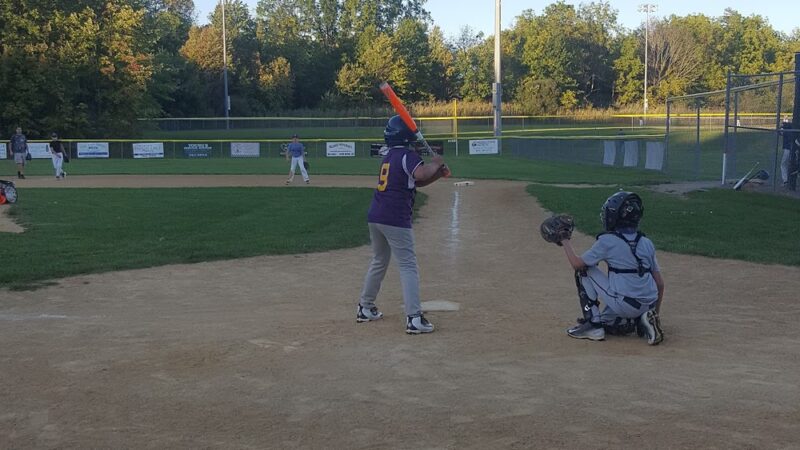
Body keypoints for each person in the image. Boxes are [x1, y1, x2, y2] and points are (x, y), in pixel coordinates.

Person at [356, 115, 448, 334]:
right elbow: (420, 172)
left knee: (379, 260)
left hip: (376, 216)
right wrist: (435, 163)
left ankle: (365, 307)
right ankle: (414, 318)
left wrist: (437, 174)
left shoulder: (391, 156)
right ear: (407, 136)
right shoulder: (408, 155)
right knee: (407, 265)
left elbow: (416, 181)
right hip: (395, 218)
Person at [559, 191, 665, 345]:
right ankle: (645, 319)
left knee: (584, 270)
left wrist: (564, 240)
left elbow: (577, 263)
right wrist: (655, 311)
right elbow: (660, 284)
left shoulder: (608, 241)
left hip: (626, 305)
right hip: (649, 304)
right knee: (614, 309)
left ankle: (593, 326)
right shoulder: (646, 242)